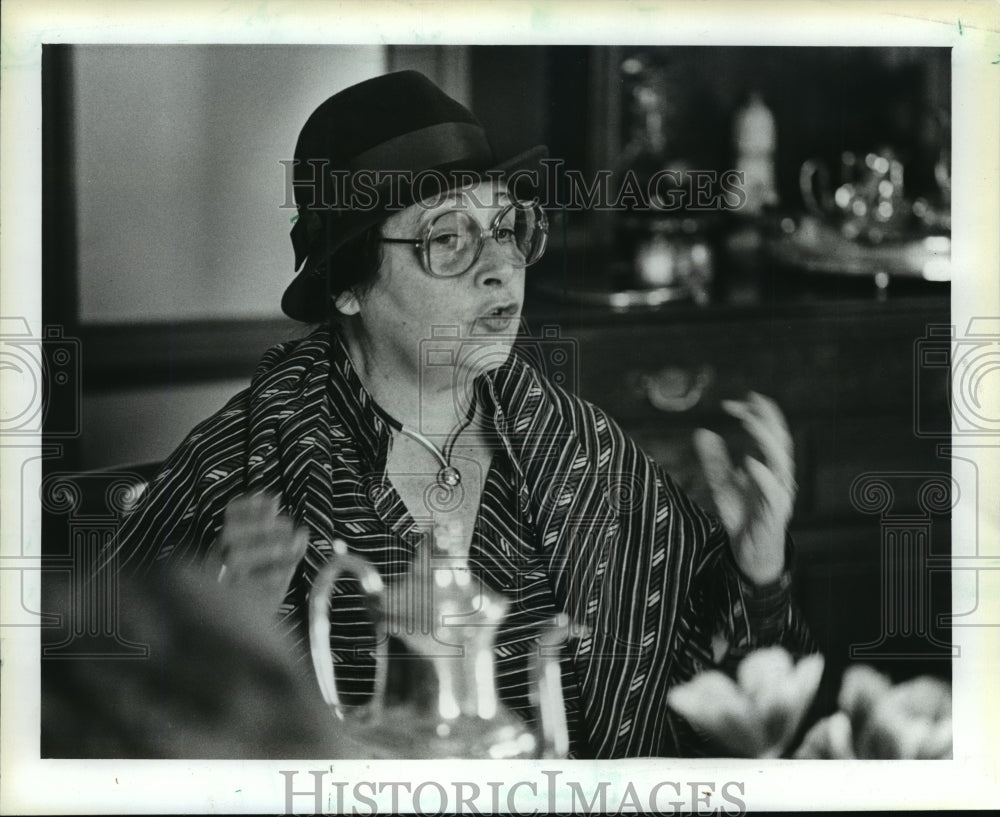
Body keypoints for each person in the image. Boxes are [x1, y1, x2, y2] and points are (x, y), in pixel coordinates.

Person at [108, 70, 813, 758]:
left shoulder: (581, 449)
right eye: (448, 239)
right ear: (349, 286)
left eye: (508, 227)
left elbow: (740, 710)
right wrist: (229, 628)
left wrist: (758, 571)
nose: (501, 266)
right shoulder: (243, 464)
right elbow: (95, 714)